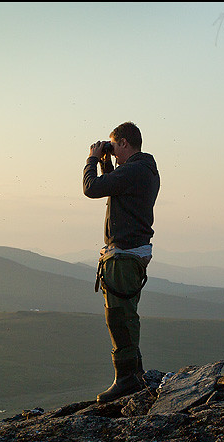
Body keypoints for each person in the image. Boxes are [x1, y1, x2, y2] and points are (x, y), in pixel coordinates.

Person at [82, 121, 160, 403]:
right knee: (125, 315)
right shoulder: (144, 170)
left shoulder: (136, 170)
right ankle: (133, 376)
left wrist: (92, 159)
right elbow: (115, 187)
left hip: (124, 255)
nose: (113, 154)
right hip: (131, 253)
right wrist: (107, 165)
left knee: (119, 317)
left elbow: (92, 189)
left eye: (114, 148)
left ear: (125, 143)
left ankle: (127, 380)